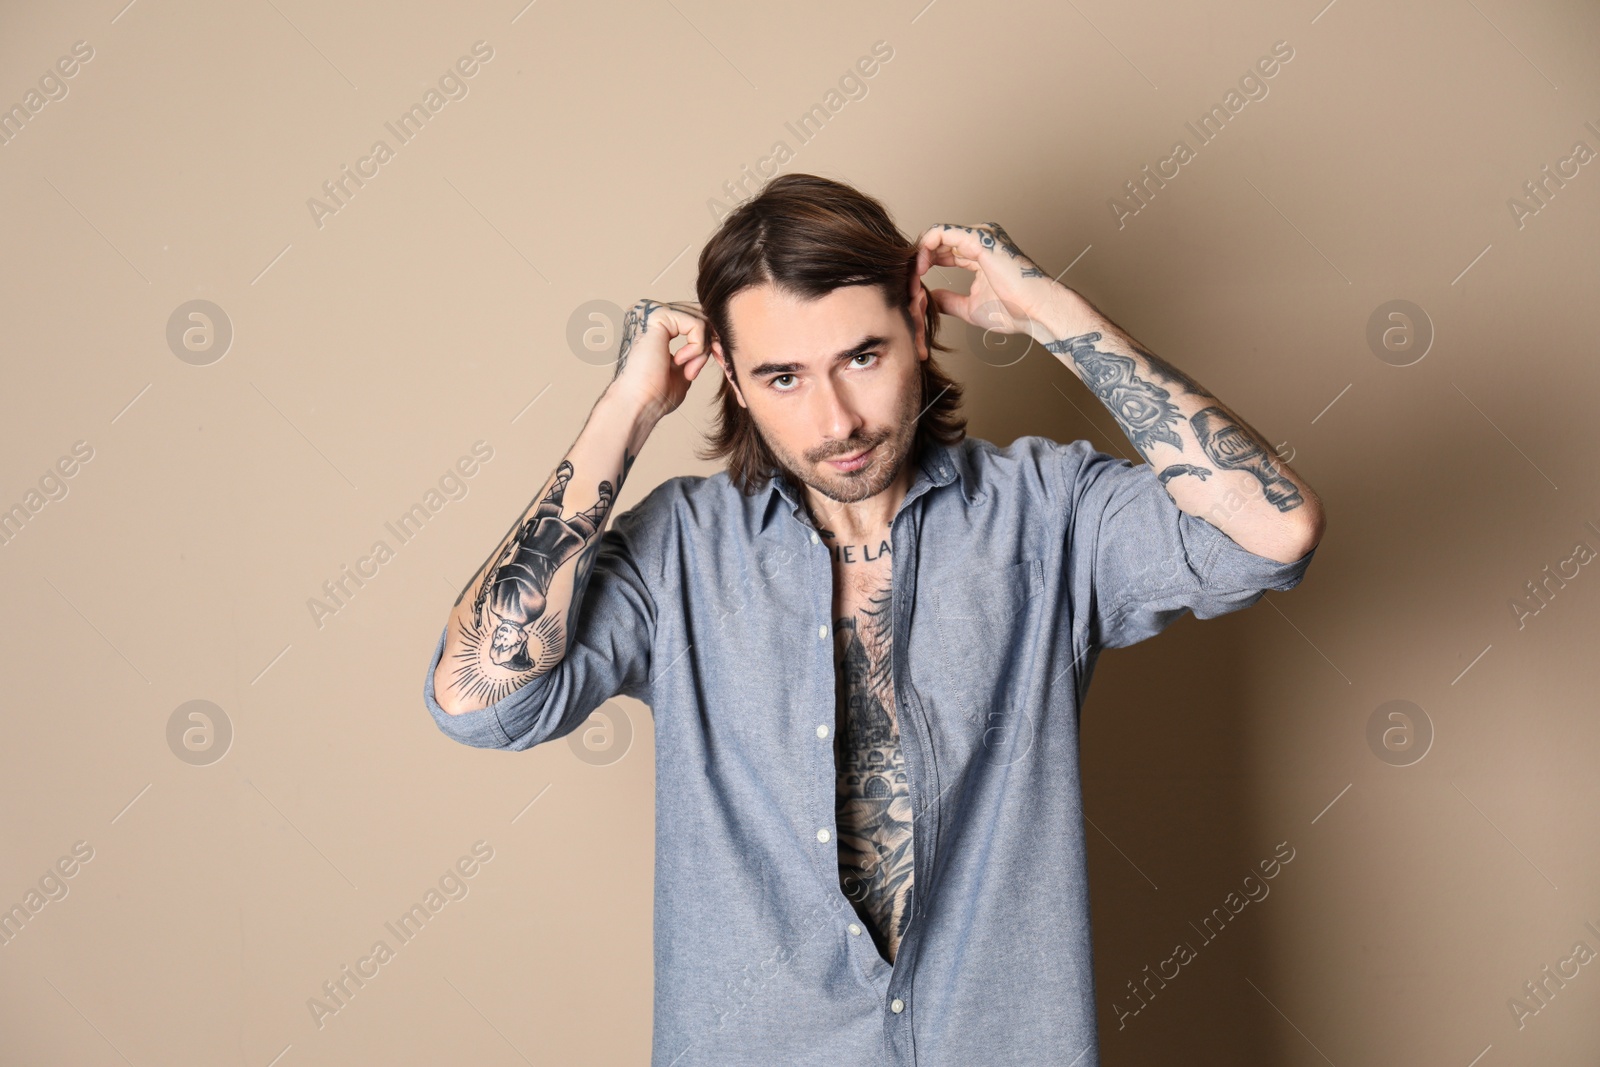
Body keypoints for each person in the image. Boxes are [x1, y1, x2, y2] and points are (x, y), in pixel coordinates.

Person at [423, 173, 1324, 1066]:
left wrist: (1057, 315)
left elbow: (1273, 529)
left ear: (920, 326)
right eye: (783, 376)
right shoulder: (678, 550)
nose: (837, 420)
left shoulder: (1048, 512)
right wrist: (624, 410)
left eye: (862, 356)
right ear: (730, 380)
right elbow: (481, 699)